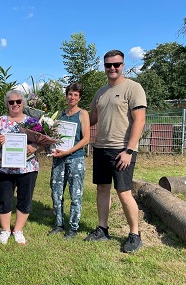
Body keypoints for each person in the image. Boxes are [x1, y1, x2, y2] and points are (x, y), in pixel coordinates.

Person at [84, 50, 147, 253]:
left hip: (122, 149)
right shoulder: (101, 92)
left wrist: (129, 150)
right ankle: (103, 229)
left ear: (123, 65)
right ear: (104, 67)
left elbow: (140, 120)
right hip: (101, 147)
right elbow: (90, 119)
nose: (112, 68)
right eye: (108, 65)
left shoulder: (133, 88)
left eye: (116, 64)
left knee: (124, 191)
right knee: (102, 188)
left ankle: (135, 234)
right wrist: (67, 120)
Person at [0, 90, 43, 245]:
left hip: (27, 168)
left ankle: (18, 230)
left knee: (25, 199)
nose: (15, 105)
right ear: (7, 104)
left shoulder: (33, 122)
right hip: (4, 168)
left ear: (23, 103)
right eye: (11, 102)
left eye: (18, 102)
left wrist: (35, 147)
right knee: (4, 199)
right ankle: (5, 230)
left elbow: (43, 142)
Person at [47, 83, 90, 239]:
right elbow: (54, 136)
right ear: (66, 95)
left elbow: (86, 138)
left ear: (79, 97)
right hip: (59, 158)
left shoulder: (83, 114)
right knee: (56, 192)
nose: (72, 97)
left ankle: (73, 227)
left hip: (75, 158)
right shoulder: (60, 115)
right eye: (70, 94)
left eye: (76, 95)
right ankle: (59, 224)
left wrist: (69, 151)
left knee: (75, 193)